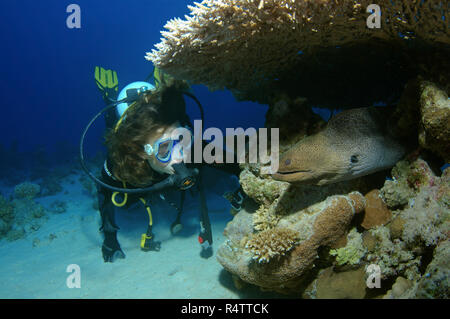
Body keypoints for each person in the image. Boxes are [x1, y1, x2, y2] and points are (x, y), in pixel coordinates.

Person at [90, 66, 245, 262]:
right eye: (164, 150)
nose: (180, 157)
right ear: (141, 153)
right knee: (117, 136)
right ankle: (111, 100)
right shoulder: (124, 163)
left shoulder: (191, 147)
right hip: (130, 147)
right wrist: (110, 239)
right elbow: (104, 190)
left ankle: (161, 91)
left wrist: (249, 180)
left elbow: (235, 163)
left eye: (182, 139)